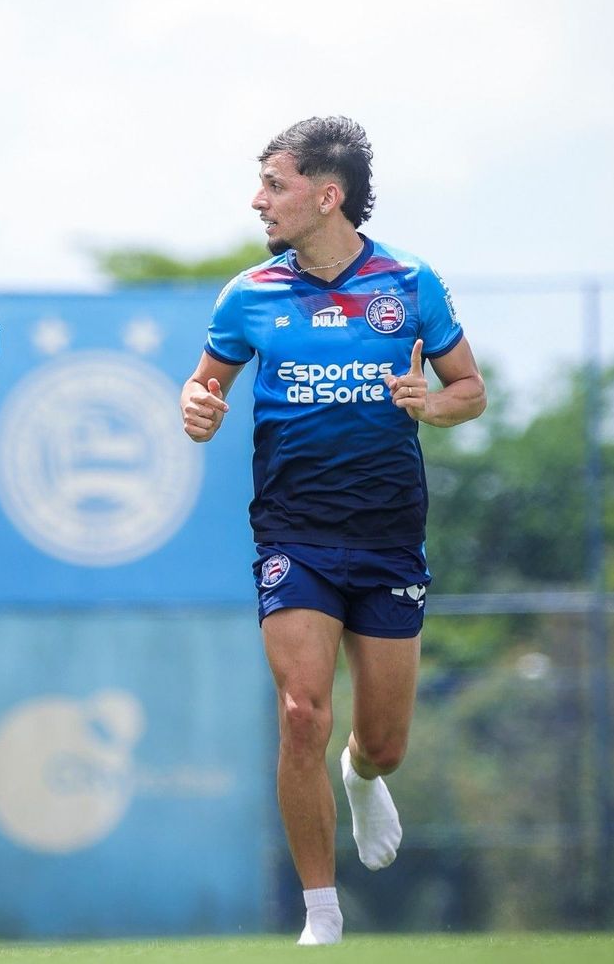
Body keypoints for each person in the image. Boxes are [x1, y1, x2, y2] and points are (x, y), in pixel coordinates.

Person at [180, 116, 485, 945]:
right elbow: (202, 390)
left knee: (381, 742)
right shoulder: (249, 294)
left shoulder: (410, 281)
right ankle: (321, 913)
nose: (259, 201)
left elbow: (470, 391)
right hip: (293, 536)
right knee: (301, 712)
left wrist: (433, 402)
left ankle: (361, 777)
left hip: (389, 539)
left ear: (327, 195)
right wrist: (196, 407)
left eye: (274, 186)